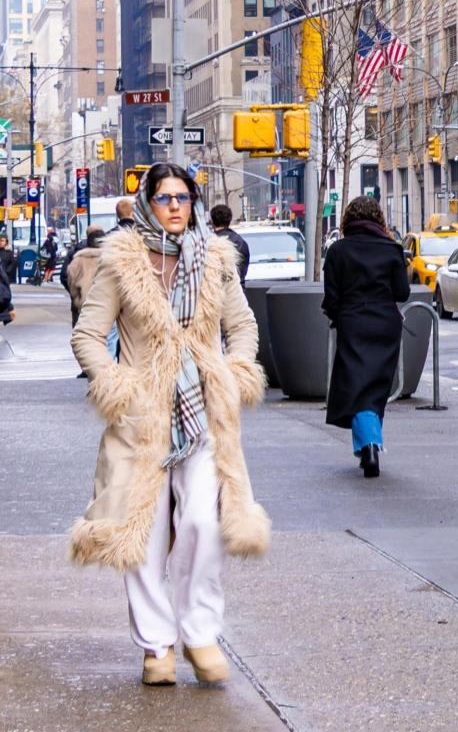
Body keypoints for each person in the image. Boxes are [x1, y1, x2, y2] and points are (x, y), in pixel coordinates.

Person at [70, 162, 269, 687]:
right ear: (147, 204)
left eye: (183, 197)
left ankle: (199, 631)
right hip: (141, 417)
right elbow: (87, 335)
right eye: (165, 198)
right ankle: (156, 645)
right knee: (143, 533)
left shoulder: (215, 260)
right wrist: (118, 384)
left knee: (204, 521)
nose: (176, 207)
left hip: (203, 411)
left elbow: (242, 325)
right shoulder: (121, 262)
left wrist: (235, 369)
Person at [322, 196, 409, 478]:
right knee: (376, 386)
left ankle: (370, 445)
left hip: (353, 322)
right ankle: (369, 445)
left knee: (358, 385)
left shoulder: (337, 251)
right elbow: (402, 293)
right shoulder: (392, 249)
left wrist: (338, 315)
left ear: (347, 219)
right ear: (378, 218)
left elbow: (331, 296)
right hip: (385, 323)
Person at [64, 226, 107, 327]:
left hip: (85, 306)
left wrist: (77, 297)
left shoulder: (78, 260)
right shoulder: (113, 259)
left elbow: (70, 281)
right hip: (108, 306)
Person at [209, 204, 250, 284]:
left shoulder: (208, 242)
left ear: (212, 221)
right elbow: (242, 271)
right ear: (230, 219)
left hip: (214, 291)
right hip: (237, 291)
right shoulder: (240, 242)